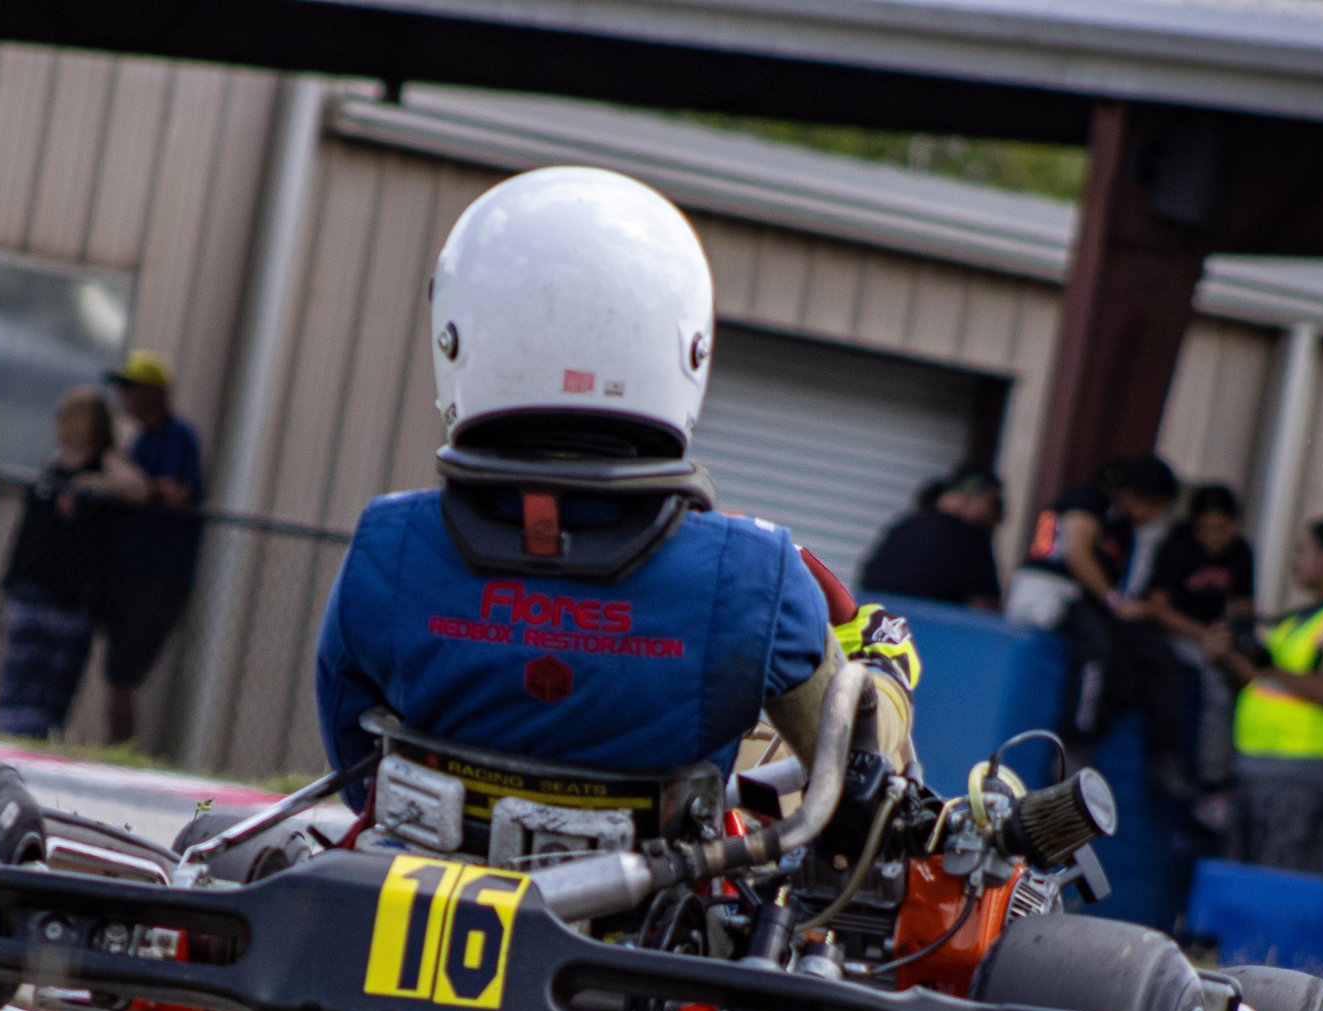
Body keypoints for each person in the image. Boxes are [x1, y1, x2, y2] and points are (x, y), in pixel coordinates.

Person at [314, 165, 915, 808]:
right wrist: (884, 670)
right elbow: (856, 781)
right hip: (656, 903)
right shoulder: (753, 575)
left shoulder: (391, 542)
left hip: (423, 888)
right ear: (686, 347)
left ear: (460, 335)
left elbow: (358, 769)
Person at [1205, 516, 1323, 876]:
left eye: (1305, 550)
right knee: (1240, 882)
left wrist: (1267, 670)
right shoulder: (1292, 622)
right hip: (1254, 770)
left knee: (1279, 884)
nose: (1296, 560)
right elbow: (1256, 684)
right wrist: (1225, 658)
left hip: (1305, 777)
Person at [0, 388, 144, 738]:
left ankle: (37, 741)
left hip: (70, 597)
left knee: (50, 690)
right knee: (17, 681)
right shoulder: (55, 463)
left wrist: (92, 483)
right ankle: (8, 738)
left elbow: (137, 488)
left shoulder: (103, 463)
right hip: (32, 585)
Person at [1031, 453, 1188, 788]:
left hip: (1092, 603)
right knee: (1097, 647)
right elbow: (1078, 554)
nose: (1155, 517)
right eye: (1155, 506)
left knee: (1152, 654)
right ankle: (1074, 745)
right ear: (1135, 495)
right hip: (1051, 592)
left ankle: (1164, 757)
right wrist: (1115, 602)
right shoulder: (1090, 501)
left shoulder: (1124, 527)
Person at [100, 350, 206, 746]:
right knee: (116, 672)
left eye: (131, 388)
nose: (124, 397)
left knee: (126, 672)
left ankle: (120, 747)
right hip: (128, 569)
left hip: (159, 573)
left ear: (154, 392)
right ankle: (115, 745)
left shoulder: (178, 437)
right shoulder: (138, 440)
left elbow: (173, 493)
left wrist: (130, 481)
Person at [1145, 482, 1257, 797]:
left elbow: (1243, 607)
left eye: (1221, 529)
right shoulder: (1177, 548)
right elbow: (1158, 608)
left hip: (1216, 634)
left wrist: (1234, 637)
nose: (1213, 538)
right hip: (1177, 632)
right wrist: (1207, 636)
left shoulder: (1240, 552)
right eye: (1206, 529)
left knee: (1249, 674)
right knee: (1215, 682)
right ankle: (1213, 779)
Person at [859, 468, 1004, 608]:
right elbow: (985, 606)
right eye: (995, 505)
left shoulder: (904, 527)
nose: (998, 516)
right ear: (971, 500)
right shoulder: (971, 540)